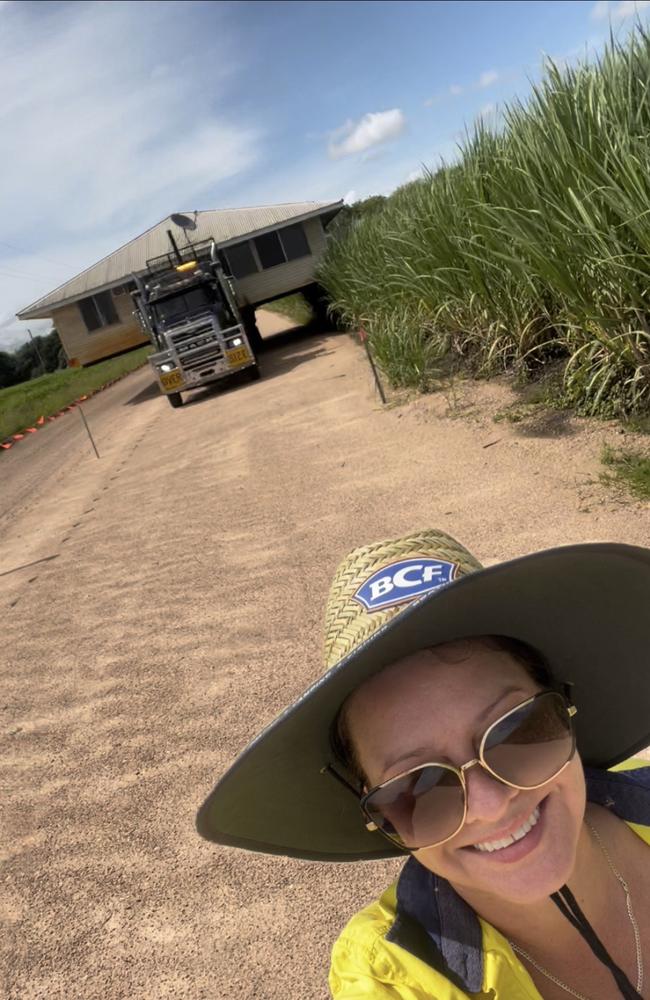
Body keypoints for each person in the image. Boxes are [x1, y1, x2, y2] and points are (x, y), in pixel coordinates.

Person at [197, 528, 650, 999]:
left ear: (566, 708)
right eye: (417, 787)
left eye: (517, 731)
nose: (490, 805)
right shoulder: (390, 978)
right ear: (377, 812)